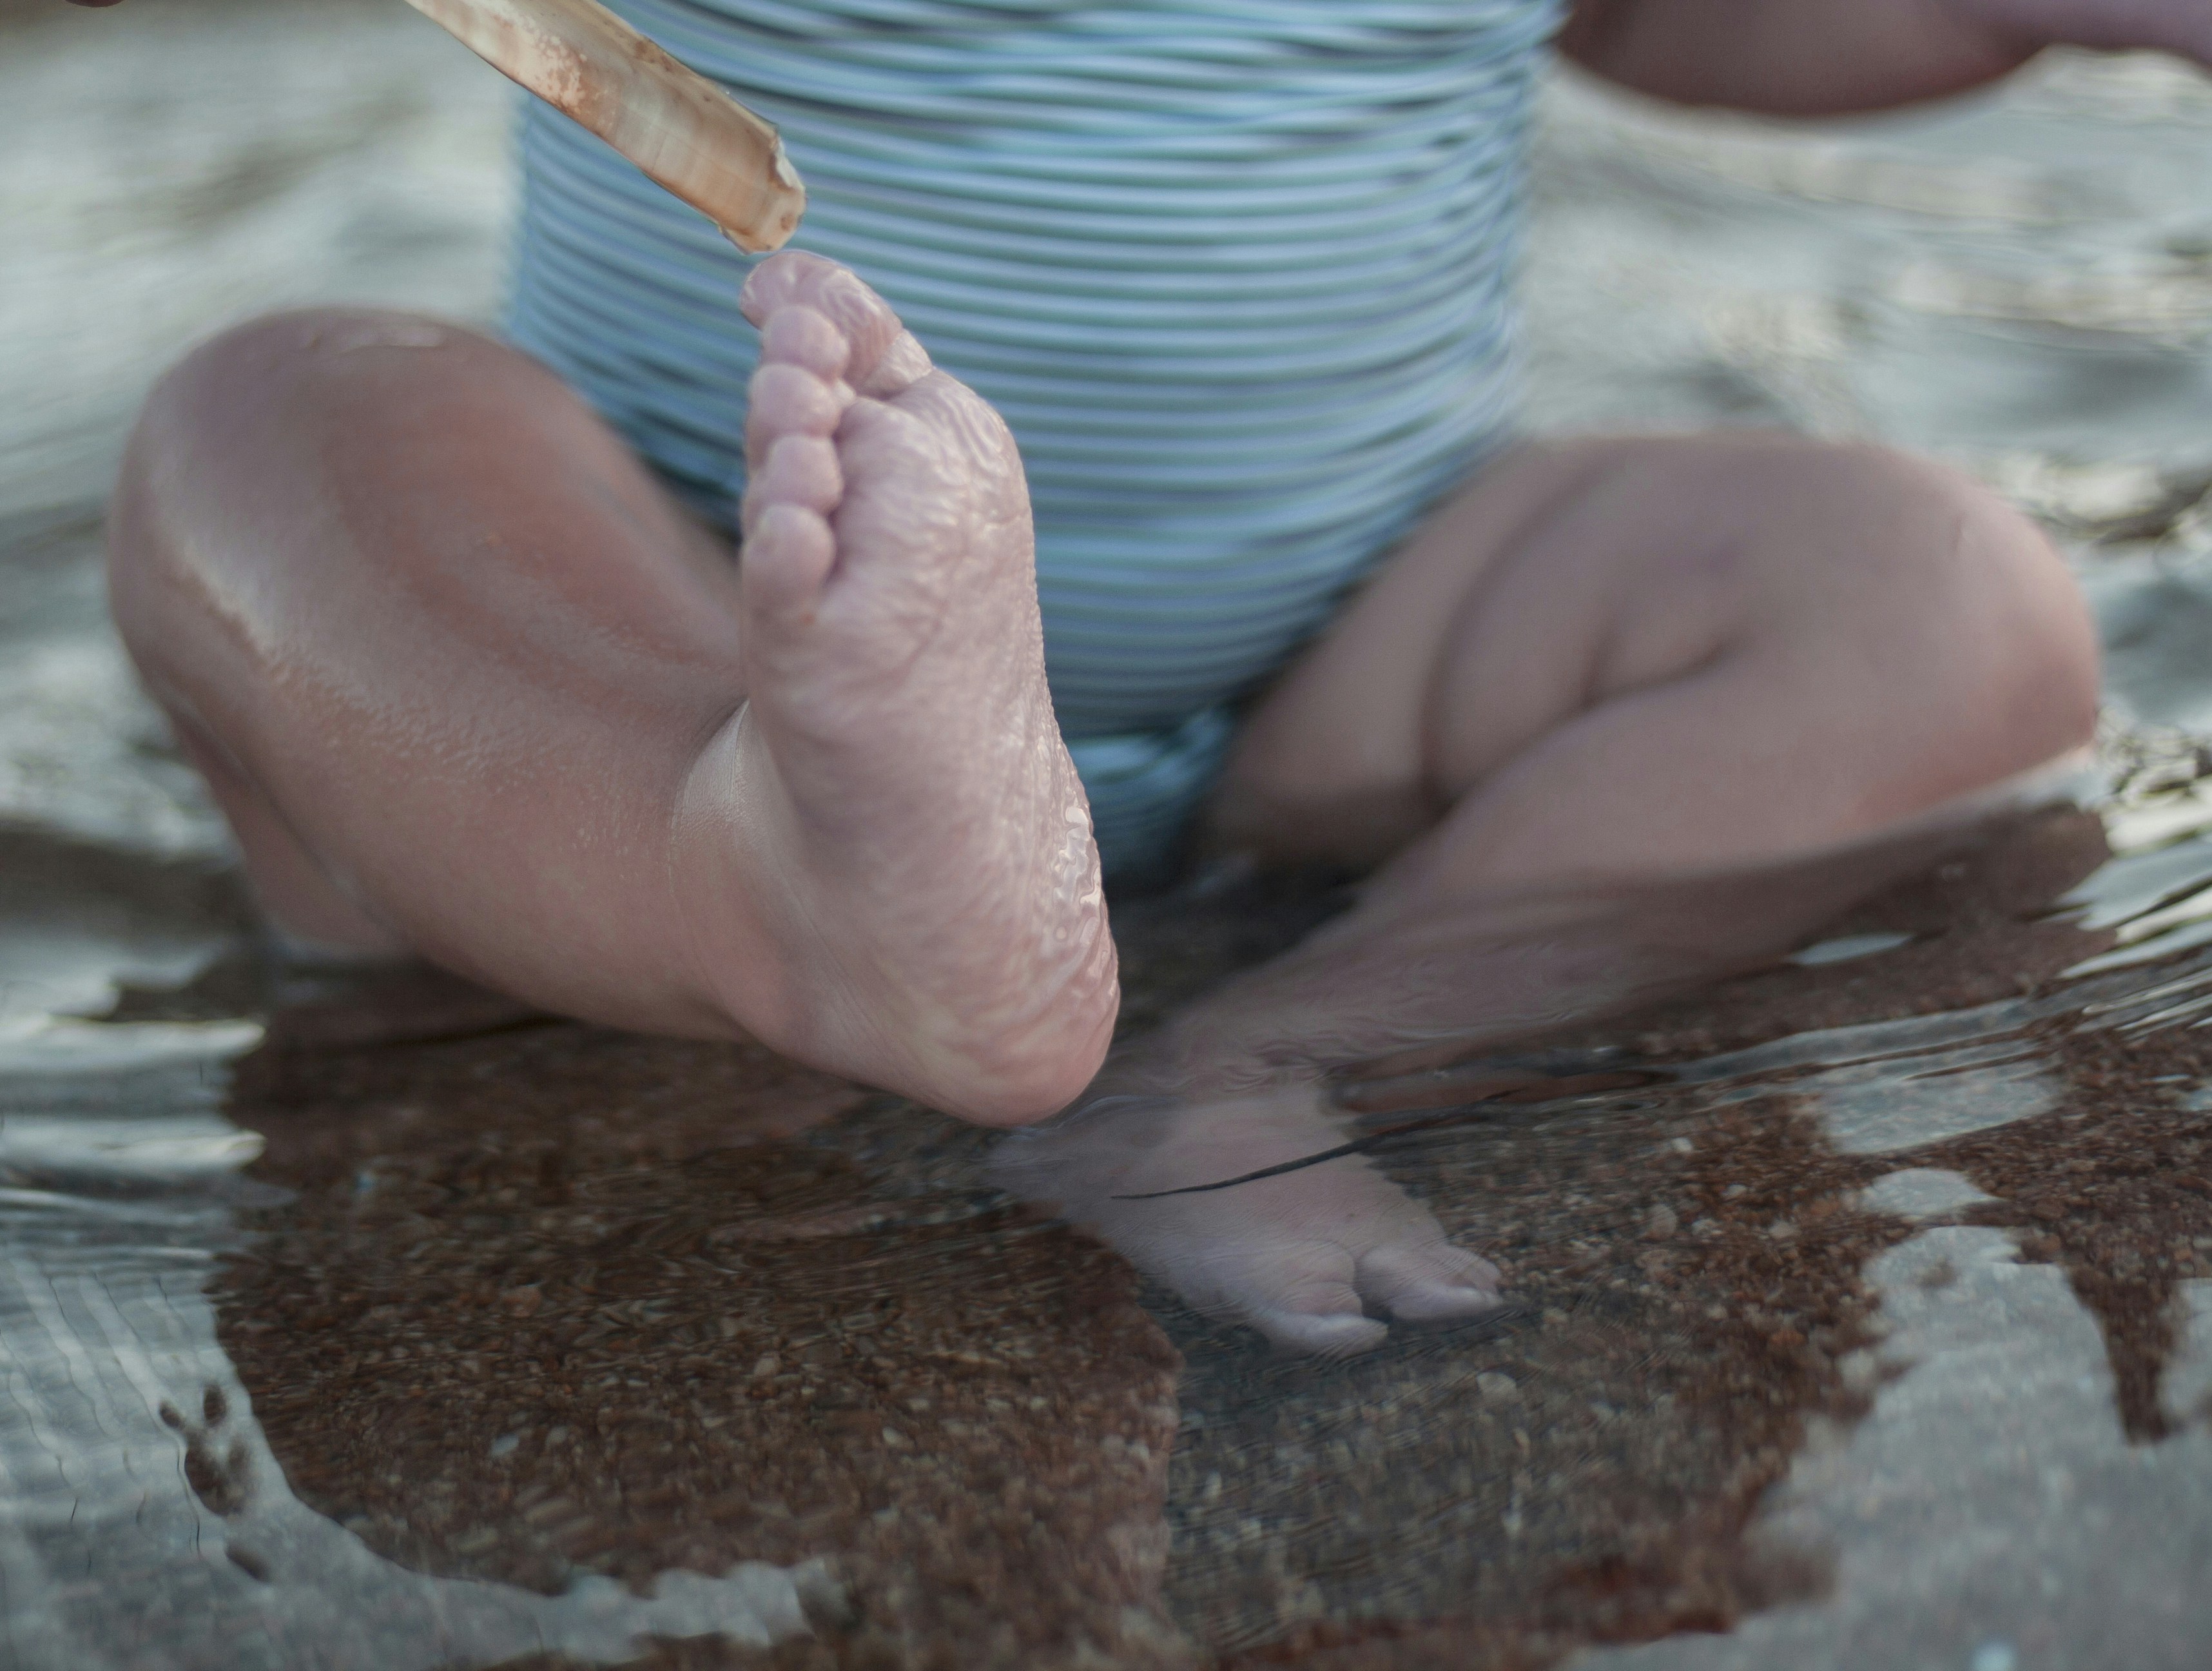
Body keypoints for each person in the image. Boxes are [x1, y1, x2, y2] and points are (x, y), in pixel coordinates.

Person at [93, 0, 2190, 1346]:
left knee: (1934, 596)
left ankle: (1269, 1061)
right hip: (654, 652)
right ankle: (755, 868)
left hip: (1350, 682)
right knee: (277, 424)